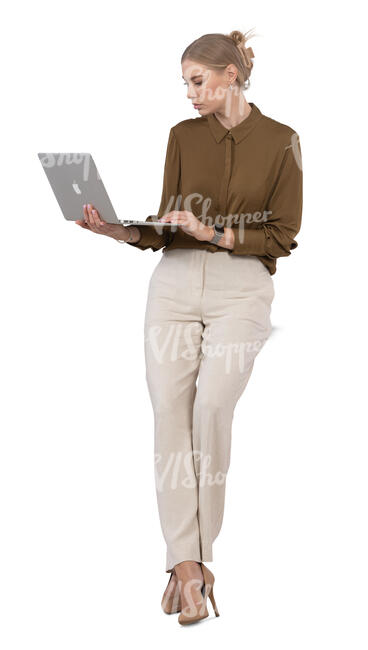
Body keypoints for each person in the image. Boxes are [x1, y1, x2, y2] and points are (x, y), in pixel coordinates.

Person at [76, 28, 303, 625]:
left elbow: (284, 235)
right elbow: (168, 223)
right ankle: (187, 568)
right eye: (185, 83)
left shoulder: (282, 141)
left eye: (197, 81)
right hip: (173, 286)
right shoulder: (181, 136)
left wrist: (216, 234)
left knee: (211, 410)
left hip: (241, 289)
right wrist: (120, 231)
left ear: (232, 75)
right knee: (169, 418)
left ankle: (199, 558)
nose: (189, 94)